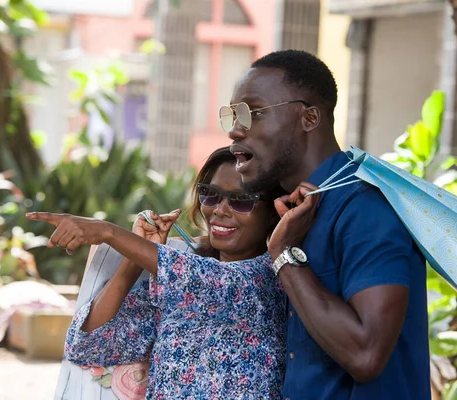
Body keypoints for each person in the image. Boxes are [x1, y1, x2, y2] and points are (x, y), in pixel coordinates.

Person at [222, 50, 430, 399]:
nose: (235, 130)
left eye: (252, 113)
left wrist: (284, 257)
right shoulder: (291, 207)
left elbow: (366, 355)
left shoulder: (365, 206)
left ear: (309, 117)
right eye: (231, 114)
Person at [28, 146, 293, 399]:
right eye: (210, 194)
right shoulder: (178, 285)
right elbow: (89, 344)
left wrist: (107, 232)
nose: (219, 210)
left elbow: (199, 276)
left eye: (242, 201)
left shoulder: (266, 281)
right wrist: (136, 259)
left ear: (272, 214)